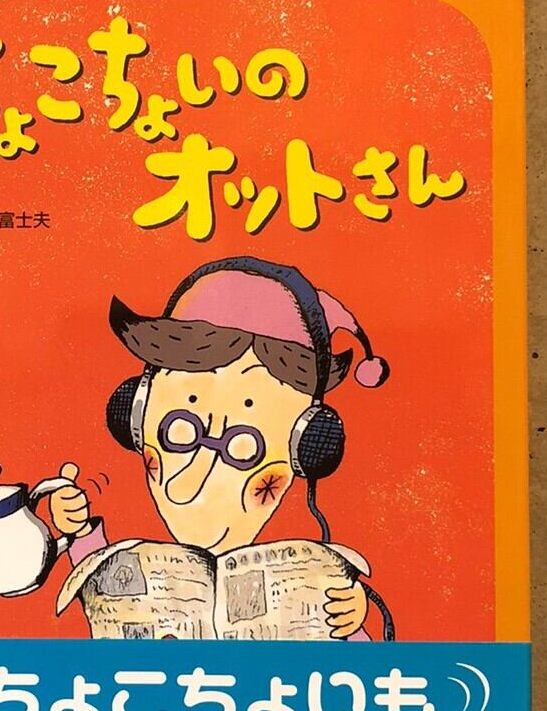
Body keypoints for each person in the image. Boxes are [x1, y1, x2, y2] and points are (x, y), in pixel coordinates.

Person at [46, 256, 393, 640]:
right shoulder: (116, 498)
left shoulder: (315, 551)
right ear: (136, 415)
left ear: (305, 446)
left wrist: (348, 620)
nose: (194, 478)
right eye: (181, 429)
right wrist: (78, 531)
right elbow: (112, 589)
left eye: (243, 445)